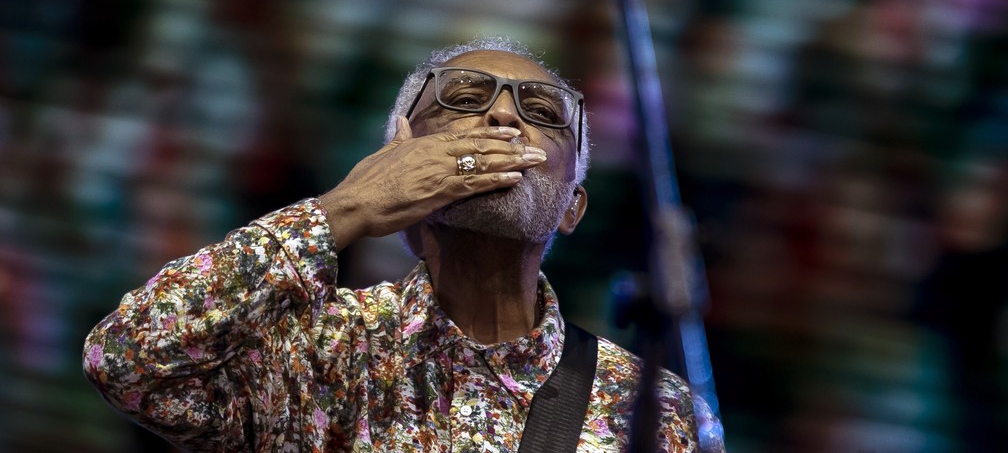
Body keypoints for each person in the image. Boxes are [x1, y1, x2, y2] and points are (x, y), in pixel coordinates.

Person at [83, 37, 720, 452]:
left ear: (571, 208)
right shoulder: (315, 355)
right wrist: (345, 208)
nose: (503, 119)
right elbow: (127, 362)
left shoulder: (661, 416)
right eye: (467, 99)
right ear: (398, 163)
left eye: (542, 112)